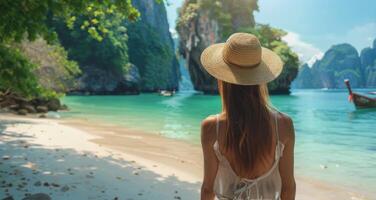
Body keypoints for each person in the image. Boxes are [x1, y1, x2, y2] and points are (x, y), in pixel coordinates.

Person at [199, 33, 296, 200]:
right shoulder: (284, 125)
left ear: (222, 79)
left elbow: (208, 189)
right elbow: (289, 188)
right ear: (260, 79)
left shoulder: (211, 127)